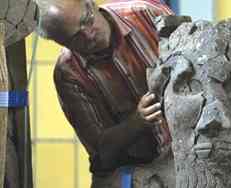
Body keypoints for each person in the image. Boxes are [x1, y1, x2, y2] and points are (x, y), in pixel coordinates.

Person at [37, 0, 174, 187]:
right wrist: (137, 122)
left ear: (92, 4)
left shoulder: (148, 13)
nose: (89, 34)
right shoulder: (68, 73)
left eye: (87, 20)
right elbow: (101, 152)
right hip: (139, 167)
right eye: (76, 37)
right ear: (59, 41)